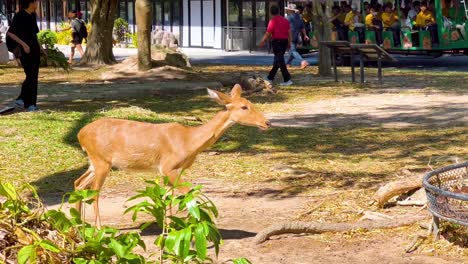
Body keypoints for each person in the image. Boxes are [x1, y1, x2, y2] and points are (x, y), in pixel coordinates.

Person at [6, 0, 45, 112]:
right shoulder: (20, 16)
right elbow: (10, 33)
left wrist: (41, 48)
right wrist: (24, 44)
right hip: (24, 51)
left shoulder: (32, 15)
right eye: (35, 2)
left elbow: (34, 34)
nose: (37, 4)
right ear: (30, 3)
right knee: (31, 76)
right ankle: (30, 104)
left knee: (32, 76)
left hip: (34, 49)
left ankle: (21, 99)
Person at [259, 5, 293, 86]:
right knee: (278, 60)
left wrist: (262, 41)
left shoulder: (272, 21)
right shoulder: (285, 20)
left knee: (280, 60)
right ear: (279, 11)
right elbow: (289, 32)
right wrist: (290, 42)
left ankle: (287, 79)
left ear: (271, 12)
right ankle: (270, 77)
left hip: (277, 42)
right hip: (284, 42)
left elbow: (268, 33)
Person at [285, 4, 309, 69]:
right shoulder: (299, 17)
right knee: (292, 50)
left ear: (290, 10)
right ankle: (288, 64)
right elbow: (302, 27)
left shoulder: (288, 18)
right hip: (297, 36)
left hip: (290, 36)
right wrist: (305, 35)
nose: (287, 11)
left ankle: (303, 61)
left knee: (293, 51)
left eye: (288, 10)